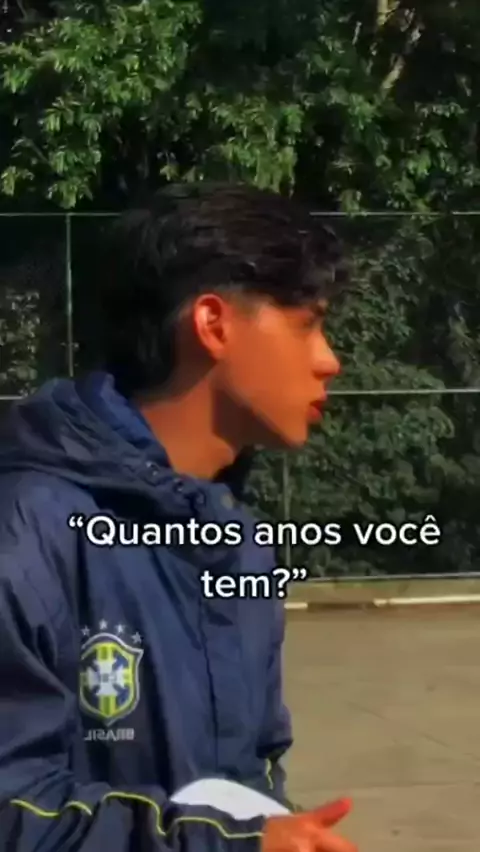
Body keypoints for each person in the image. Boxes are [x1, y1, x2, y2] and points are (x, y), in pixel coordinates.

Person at [0, 183, 355, 852]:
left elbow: (247, 775)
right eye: (307, 323)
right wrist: (229, 844)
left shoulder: (239, 542)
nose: (328, 360)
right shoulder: (25, 532)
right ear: (213, 324)